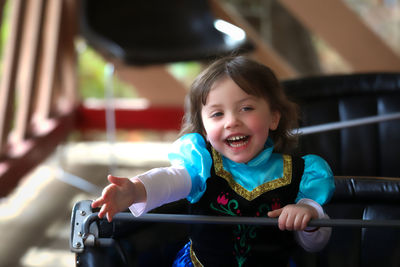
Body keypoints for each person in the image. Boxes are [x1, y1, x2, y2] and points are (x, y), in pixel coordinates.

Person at [92, 56, 335, 266]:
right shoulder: (201, 165)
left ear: (273, 117)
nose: (231, 122)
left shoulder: (303, 173)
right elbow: (170, 180)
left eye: (246, 108)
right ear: (205, 129)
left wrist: (308, 216)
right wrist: (135, 190)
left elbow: (315, 244)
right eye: (217, 114)